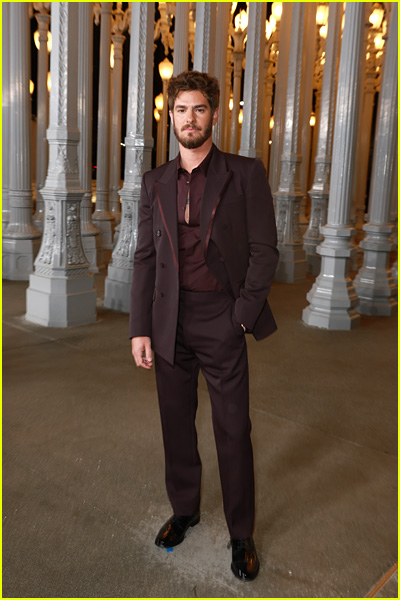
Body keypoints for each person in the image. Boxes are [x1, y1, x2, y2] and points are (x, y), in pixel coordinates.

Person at [130, 71, 278, 582]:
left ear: (214, 114)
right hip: (168, 319)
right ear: (169, 116)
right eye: (179, 110)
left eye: (197, 109)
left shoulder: (244, 173)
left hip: (222, 317)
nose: (188, 119)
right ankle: (186, 508)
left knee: (233, 429)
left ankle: (241, 533)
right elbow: (144, 259)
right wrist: (139, 328)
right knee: (176, 424)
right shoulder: (155, 182)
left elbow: (264, 251)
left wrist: (241, 315)